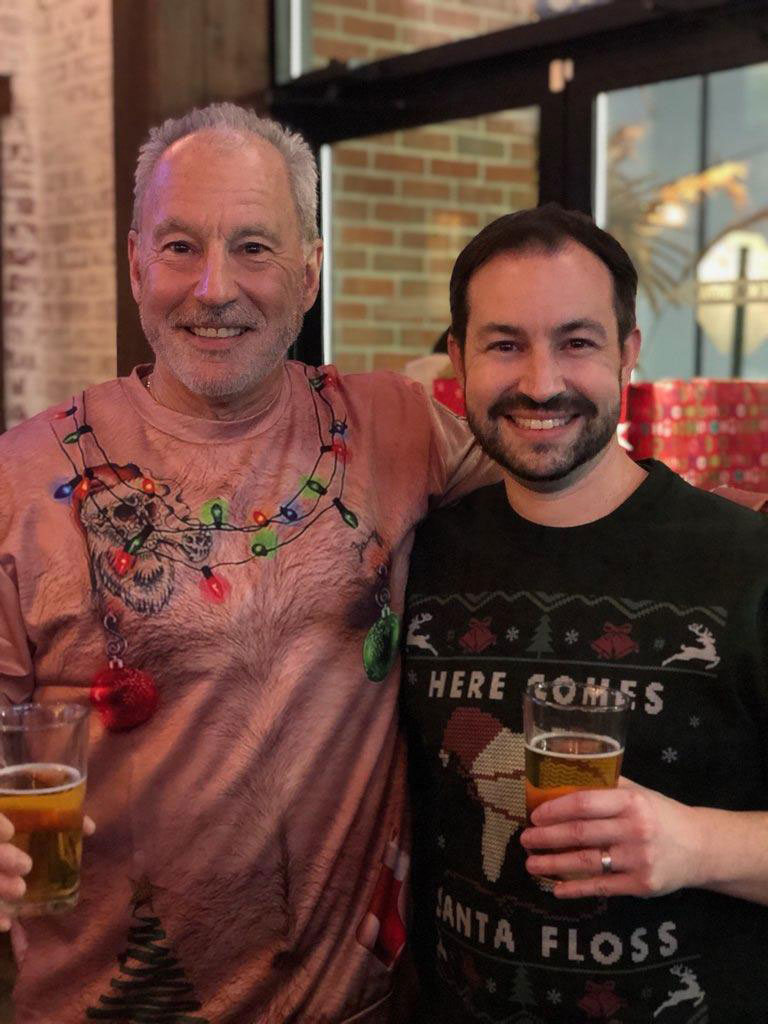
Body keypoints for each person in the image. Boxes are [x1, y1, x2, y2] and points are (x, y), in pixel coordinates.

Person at [0, 103, 493, 1022]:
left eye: (255, 248)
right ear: (137, 263)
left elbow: (579, 495)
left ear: (310, 272)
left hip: (357, 1007)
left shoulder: (396, 427)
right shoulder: (20, 477)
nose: (214, 288)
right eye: (181, 246)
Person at [402, 205, 768, 1023]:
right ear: (456, 360)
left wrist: (697, 844)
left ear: (628, 352)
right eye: (504, 344)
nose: (540, 382)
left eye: (577, 342)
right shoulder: (421, 555)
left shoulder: (747, 563)